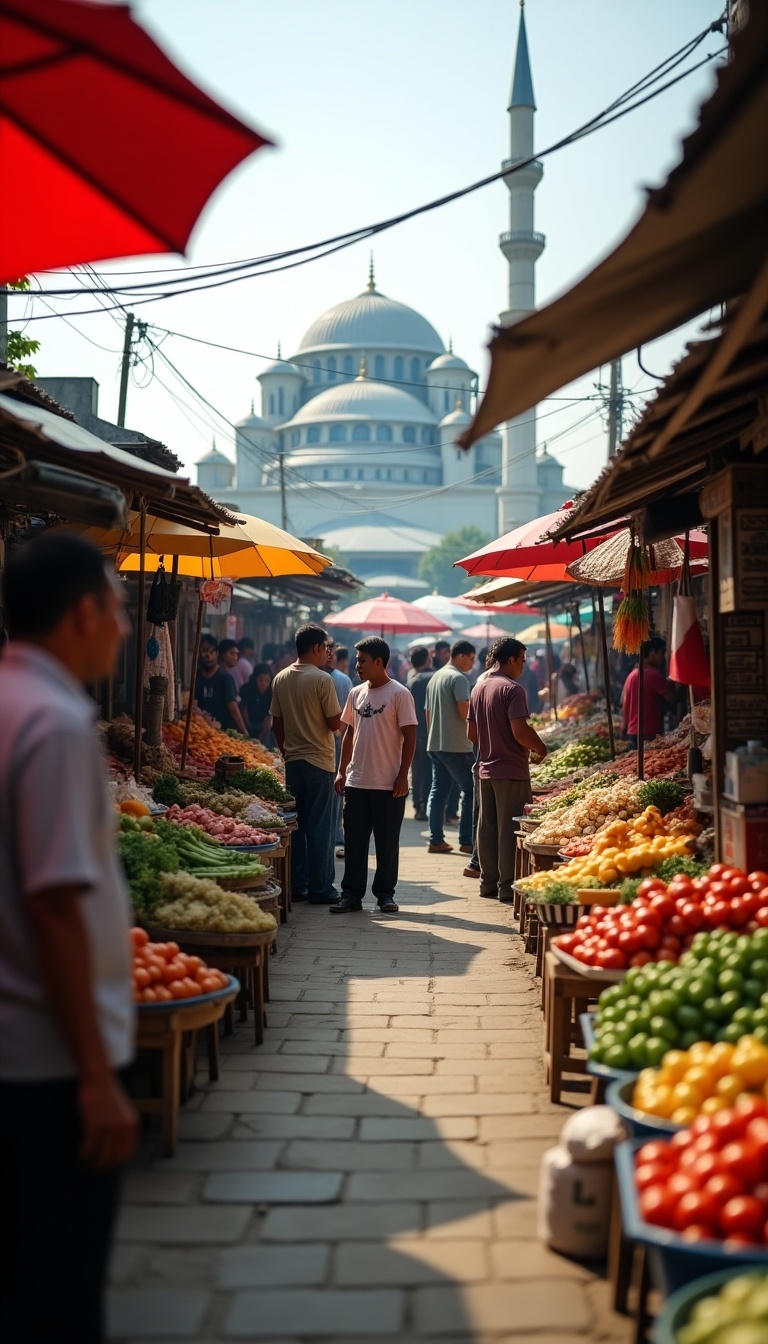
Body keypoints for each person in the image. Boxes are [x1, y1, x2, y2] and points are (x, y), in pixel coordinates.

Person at [0, 532, 138, 1344]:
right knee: (57, 1286)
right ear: (83, 612)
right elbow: (53, 905)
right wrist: (95, 1074)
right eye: (118, 609)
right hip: (44, 1059)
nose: (124, 628)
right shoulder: (53, 723)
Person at [331, 637, 417, 915]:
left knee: (387, 843)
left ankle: (384, 895)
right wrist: (341, 770)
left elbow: (411, 736)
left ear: (379, 662)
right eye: (357, 660)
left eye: (362, 660)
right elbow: (349, 734)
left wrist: (403, 775)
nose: (357, 666)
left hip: (388, 783)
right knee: (354, 843)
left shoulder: (400, 694)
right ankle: (351, 895)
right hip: (356, 782)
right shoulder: (355, 693)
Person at [467, 637, 547, 902]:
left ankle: (487, 883)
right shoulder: (513, 689)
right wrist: (540, 747)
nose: (523, 666)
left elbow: (471, 733)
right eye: (522, 660)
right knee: (510, 830)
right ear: (511, 659)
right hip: (511, 769)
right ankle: (507, 886)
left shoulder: (479, 687)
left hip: (485, 769)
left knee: (487, 828)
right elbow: (521, 731)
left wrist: (492, 741)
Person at [270, 624, 342, 904]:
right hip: (320, 762)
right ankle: (321, 888)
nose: (327, 653)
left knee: (296, 826)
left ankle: (298, 885)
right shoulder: (323, 680)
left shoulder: (281, 677)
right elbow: (334, 724)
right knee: (321, 828)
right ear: (316, 648)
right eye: (325, 648)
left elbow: (277, 723)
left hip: (294, 762)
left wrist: (286, 751)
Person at [425, 639, 477, 856]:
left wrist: (432, 736)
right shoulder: (458, 678)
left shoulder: (435, 677)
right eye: (471, 659)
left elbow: (427, 712)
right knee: (471, 790)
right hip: (456, 745)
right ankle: (466, 840)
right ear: (461, 656)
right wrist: (477, 732)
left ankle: (436, 840)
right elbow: (464, 709)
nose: (472, 664)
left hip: (436, 743)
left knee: (438, 792)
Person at [621, 636, 678, 746]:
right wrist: (677, 683)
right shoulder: (654, 675)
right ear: (652, 652)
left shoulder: (631, 675)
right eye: (662, 652)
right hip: (649, 733)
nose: (663, 658)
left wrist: (624, 728)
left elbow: (625, 705)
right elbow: (671, 698)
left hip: (633, 732)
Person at [326, 640, 353, 859]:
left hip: (336, 746)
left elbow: (347, 723)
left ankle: (336, 835)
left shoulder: (343, 681)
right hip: (312, 749)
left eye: (332, 650)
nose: (330, 653)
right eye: (325, 648)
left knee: (336, 793)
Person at [194, 634, 247, 735]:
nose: (208, 655)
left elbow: (233, 708)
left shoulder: (225, 678)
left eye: (211, 651)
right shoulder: (197, 677)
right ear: (199, 653)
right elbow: (194, 703)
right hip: (203, 733)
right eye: (204, 651)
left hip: (224, 733)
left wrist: (244, 732)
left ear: (217, 653)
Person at [407, 645, 433, 821]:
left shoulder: (411, 682)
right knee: (430, 771)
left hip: (414, 732)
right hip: (431, 732)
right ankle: (427, 805)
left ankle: (418, 806)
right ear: (427, 659)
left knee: (417, 771)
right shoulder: (434, 678)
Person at [240, 662, 274, 743]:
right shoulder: (246, 689)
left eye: (267, 681)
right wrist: (246, 728)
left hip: (265, 725)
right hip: (247, 723)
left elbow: (269, 717)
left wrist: (261, 736)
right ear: (255, 678)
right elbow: (243, 710)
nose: (263, 684)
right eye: (260, 680)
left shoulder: (272, 692)